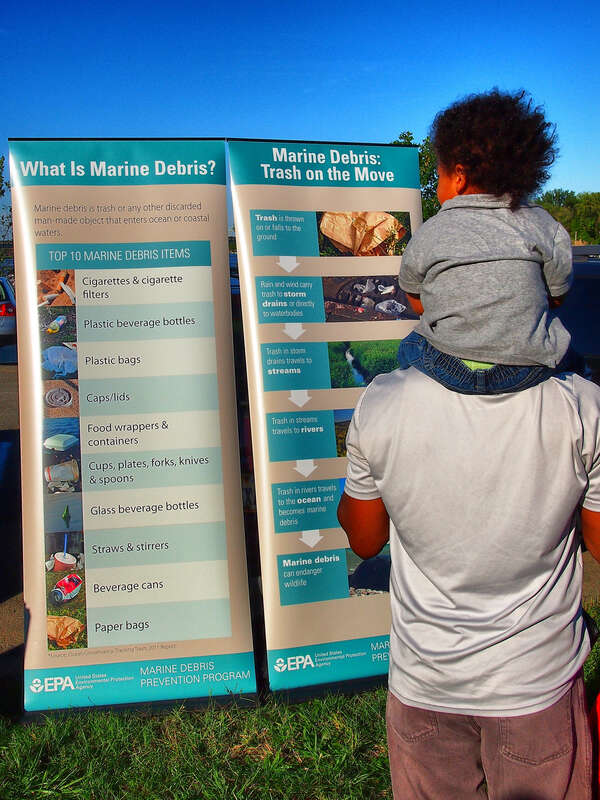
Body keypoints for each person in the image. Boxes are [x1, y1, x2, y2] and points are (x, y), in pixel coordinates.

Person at [338, 367, 600, 798]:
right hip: (536, 681)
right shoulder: (580, 403)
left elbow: (364, 541)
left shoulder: (384, 399)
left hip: (425, 678)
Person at [397, 89, 574, 394]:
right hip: (527, 367)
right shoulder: (544, 224)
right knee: (574, 359)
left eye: (439, 174)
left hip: (446, 365)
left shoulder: (431, 230)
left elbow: (416, 302)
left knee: (409, 347)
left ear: (459, 177)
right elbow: (557, 296)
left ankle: (410, 397)